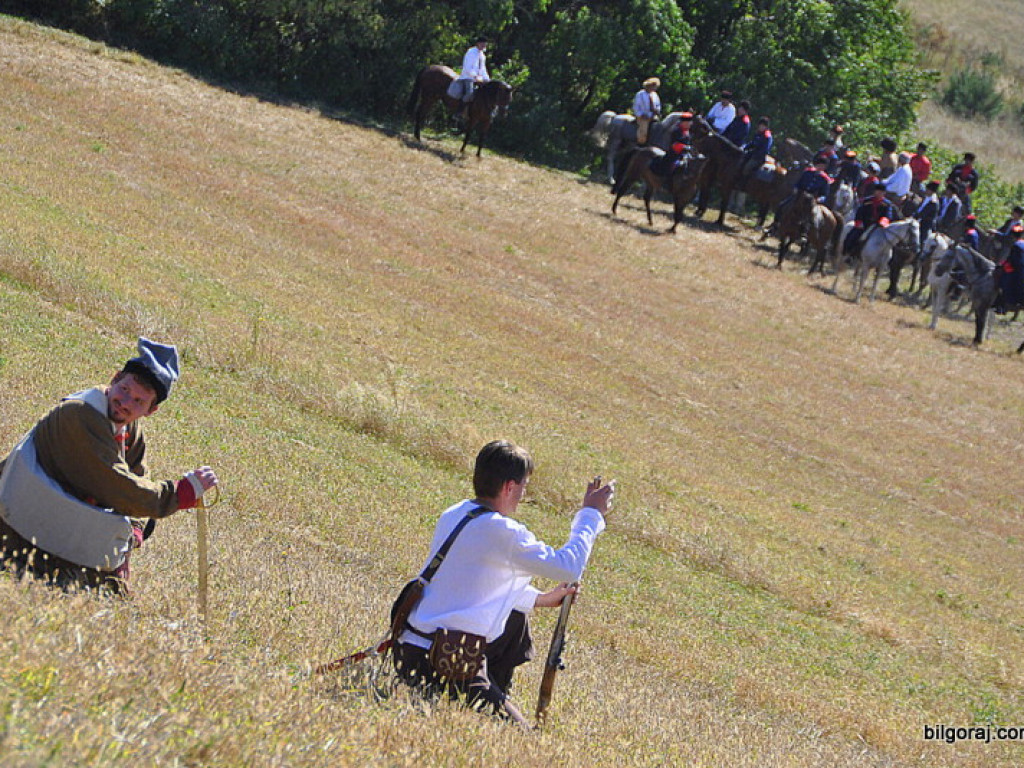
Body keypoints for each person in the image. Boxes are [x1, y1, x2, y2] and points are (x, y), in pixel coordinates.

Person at [392, 440, 613, 719]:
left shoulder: (456, 512)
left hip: (410, 650)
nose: (524, 494)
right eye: (523, 486)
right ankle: (487, 701)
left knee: (516, 619)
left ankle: (494, 691)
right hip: (444, 660)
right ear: (509, 487)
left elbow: (474, 581)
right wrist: (591, 514)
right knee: (520, 739)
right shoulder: (503, 531)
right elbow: (568, 567)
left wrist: (540, 599)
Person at [0, 338, 219, 594]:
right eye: (125, 389)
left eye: (139, 401)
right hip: (16, 528)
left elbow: (138, 475)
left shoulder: (129, 427)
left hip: (59, 524)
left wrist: (133, 533)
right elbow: (118, 486)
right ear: (115, 379)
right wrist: (178, 494)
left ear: (151, 410)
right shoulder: (80, 414)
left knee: (142, 524)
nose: (126, 402)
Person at [844, 182, 898, 256]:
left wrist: (883, 221)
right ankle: (849, 253)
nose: (879, 193)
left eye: (881, 192)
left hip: (879, 226)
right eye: (878, 191)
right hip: (865, 224)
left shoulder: (887, 204)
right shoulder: (867, 201)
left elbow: (888, 215)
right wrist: (859, 222)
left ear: (884, 193)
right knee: (853, 236)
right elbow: (860, 212)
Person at [451, 36, 490, 119]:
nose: (483, 45)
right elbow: (468, 67)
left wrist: (487, 79)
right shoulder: (471, 52)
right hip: (468, 77)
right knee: (469, 93)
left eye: (485, 44)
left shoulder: (482, 55)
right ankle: (459, 111)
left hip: (478, 78)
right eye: (482, 43)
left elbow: (483, 69)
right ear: (478, 44)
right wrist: (476, 76)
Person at [650, 111, 693, 178]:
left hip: (684, 154)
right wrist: (685, 147)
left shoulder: (687, 132)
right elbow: (674, 145)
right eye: (688, 122)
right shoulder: (676, 131)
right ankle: (666, 181)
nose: (690, 124)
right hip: (674, 154)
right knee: (673, 166)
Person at [995, 225, 1024, 313]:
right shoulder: (1022, 243)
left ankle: (1004, 305)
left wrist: (1003, 265)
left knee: (1003, 281)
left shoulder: (1016, 245)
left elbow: (1014, 261)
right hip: (1020, 269)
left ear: (1013, 235)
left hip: (1018, 271)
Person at [737, 116, 772, 181]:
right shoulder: (758, 133)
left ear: (766, 127)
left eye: (763, 126)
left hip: (758, 158)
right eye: (760, 125)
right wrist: (745, 147)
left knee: (747, 167)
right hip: (752, 154)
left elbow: (765, 150)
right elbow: (753, 142)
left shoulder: (767, 136)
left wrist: (754, 154)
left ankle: (742, 183)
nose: (761, 127)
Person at [632, 77, 661, 146]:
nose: (654, 88)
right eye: (653, 86)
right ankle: (641, 143)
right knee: (643, 129)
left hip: (652, 115)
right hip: (643, 116)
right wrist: (641, 114)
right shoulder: (640, 94)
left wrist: (657, 110)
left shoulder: (655, 95)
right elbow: (636, 106)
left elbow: (658, 105)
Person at [913, 180, 941, 250]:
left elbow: (923, 214)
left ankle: (919, 252)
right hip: (918, 219)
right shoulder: (926, 197)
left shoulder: (934, 202)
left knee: (922, 240)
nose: (926, 191)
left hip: (925, 224)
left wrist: (915, 217)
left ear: (932, 191)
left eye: (927, 189)